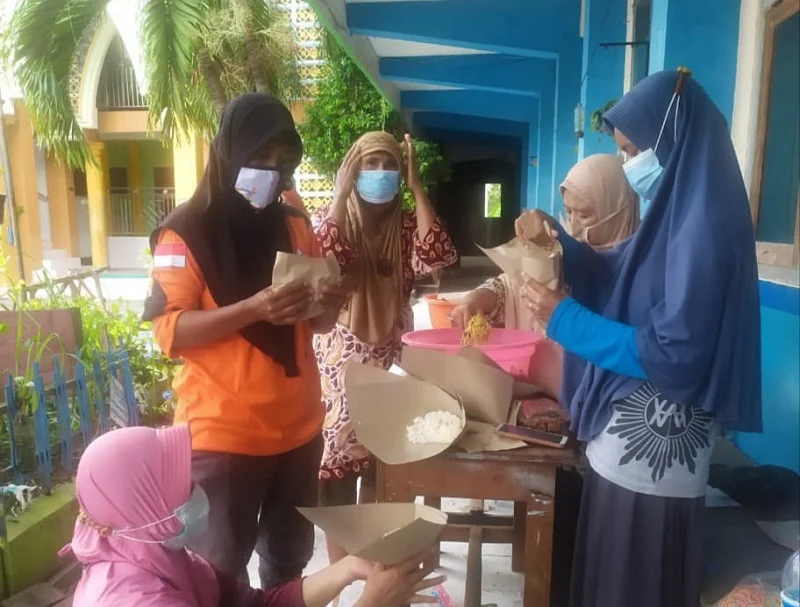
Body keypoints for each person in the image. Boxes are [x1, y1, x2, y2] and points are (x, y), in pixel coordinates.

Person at [516, 70, 762, 607]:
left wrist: (565, 319)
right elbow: (622, 272)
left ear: (670, 136)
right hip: (631, 444)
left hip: (653, 453)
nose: (630, 166)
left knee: (632, 580)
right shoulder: (679, 210)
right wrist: (561, 241)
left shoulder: (704, 225)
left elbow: (674, 354)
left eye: (632, 150)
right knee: (614, 575)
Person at [143, 93, 353, 589]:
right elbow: (168, 332)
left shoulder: (296, 225)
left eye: (282, 162)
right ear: (228, 152)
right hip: (223, 440)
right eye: (259, 159)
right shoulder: (184, 235)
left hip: (299, 434)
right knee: (217, 577)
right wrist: (252, 309)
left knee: (288, 569)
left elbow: (316, 326)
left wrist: (331, 300)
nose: (270, 173)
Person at [67, 425, 445, 607]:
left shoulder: (164, 557)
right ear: (143, 508)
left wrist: (346, 569)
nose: (196, 492)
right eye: (179, 488)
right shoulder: (134, 601)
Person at [313, 132, 457, 563]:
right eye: (369, 164)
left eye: (388, 164)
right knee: (335, 478)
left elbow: (437, 256)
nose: (379, 173)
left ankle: (378, 567)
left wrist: (416, 188)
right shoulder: (333, 216)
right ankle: (343, 574)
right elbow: (323, 250)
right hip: (339, 369)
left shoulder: (408, 225)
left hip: (392, 361)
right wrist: (340, 194)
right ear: (353, 171)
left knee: (384, 469)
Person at [451, 153, 639, 396]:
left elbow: (635, 351)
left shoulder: (643, 268)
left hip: (605, 409)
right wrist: (476, 299)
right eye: (568, 212)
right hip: (542, 393)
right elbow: (510, 285)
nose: (574, 225)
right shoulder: (560, 252)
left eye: (584, 215)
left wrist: (564, 315)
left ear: (616, 208)